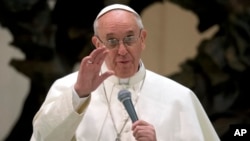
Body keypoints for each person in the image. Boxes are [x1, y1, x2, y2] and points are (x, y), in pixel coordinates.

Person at [30, 4, 220, 141]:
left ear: (142, 39)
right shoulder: (68, 88)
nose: (122, 50)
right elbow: (42, 138)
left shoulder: (179, 97)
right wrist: (78, 95)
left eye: (129, 38)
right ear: (97, 44)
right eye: (112, 41)